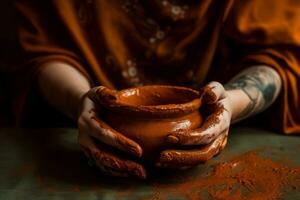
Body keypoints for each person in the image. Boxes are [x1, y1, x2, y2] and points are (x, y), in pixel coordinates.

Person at [12, 0, 299, 179]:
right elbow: (42, 49)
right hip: (88, 119)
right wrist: (80, 100)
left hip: (219, 118)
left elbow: (278, 57)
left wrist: (230, 104)